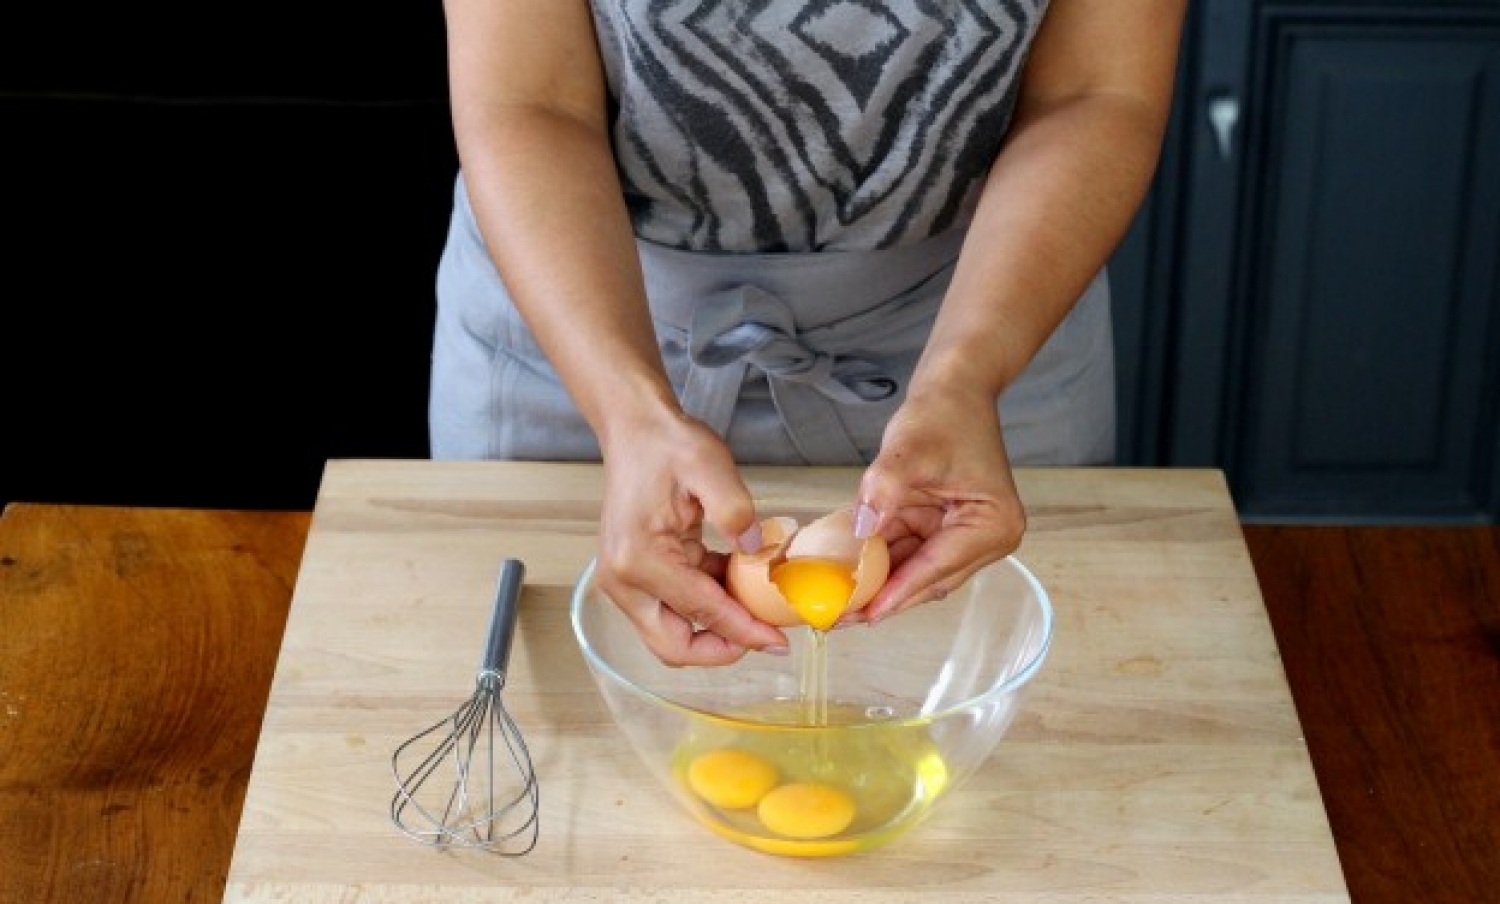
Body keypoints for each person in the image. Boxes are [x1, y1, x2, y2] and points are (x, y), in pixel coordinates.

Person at [429, 0, 1187, 667]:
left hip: (984, 323)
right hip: (585, 323)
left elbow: (1095, 93)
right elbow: (528, 98)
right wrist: (627, 413)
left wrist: (965, 375)